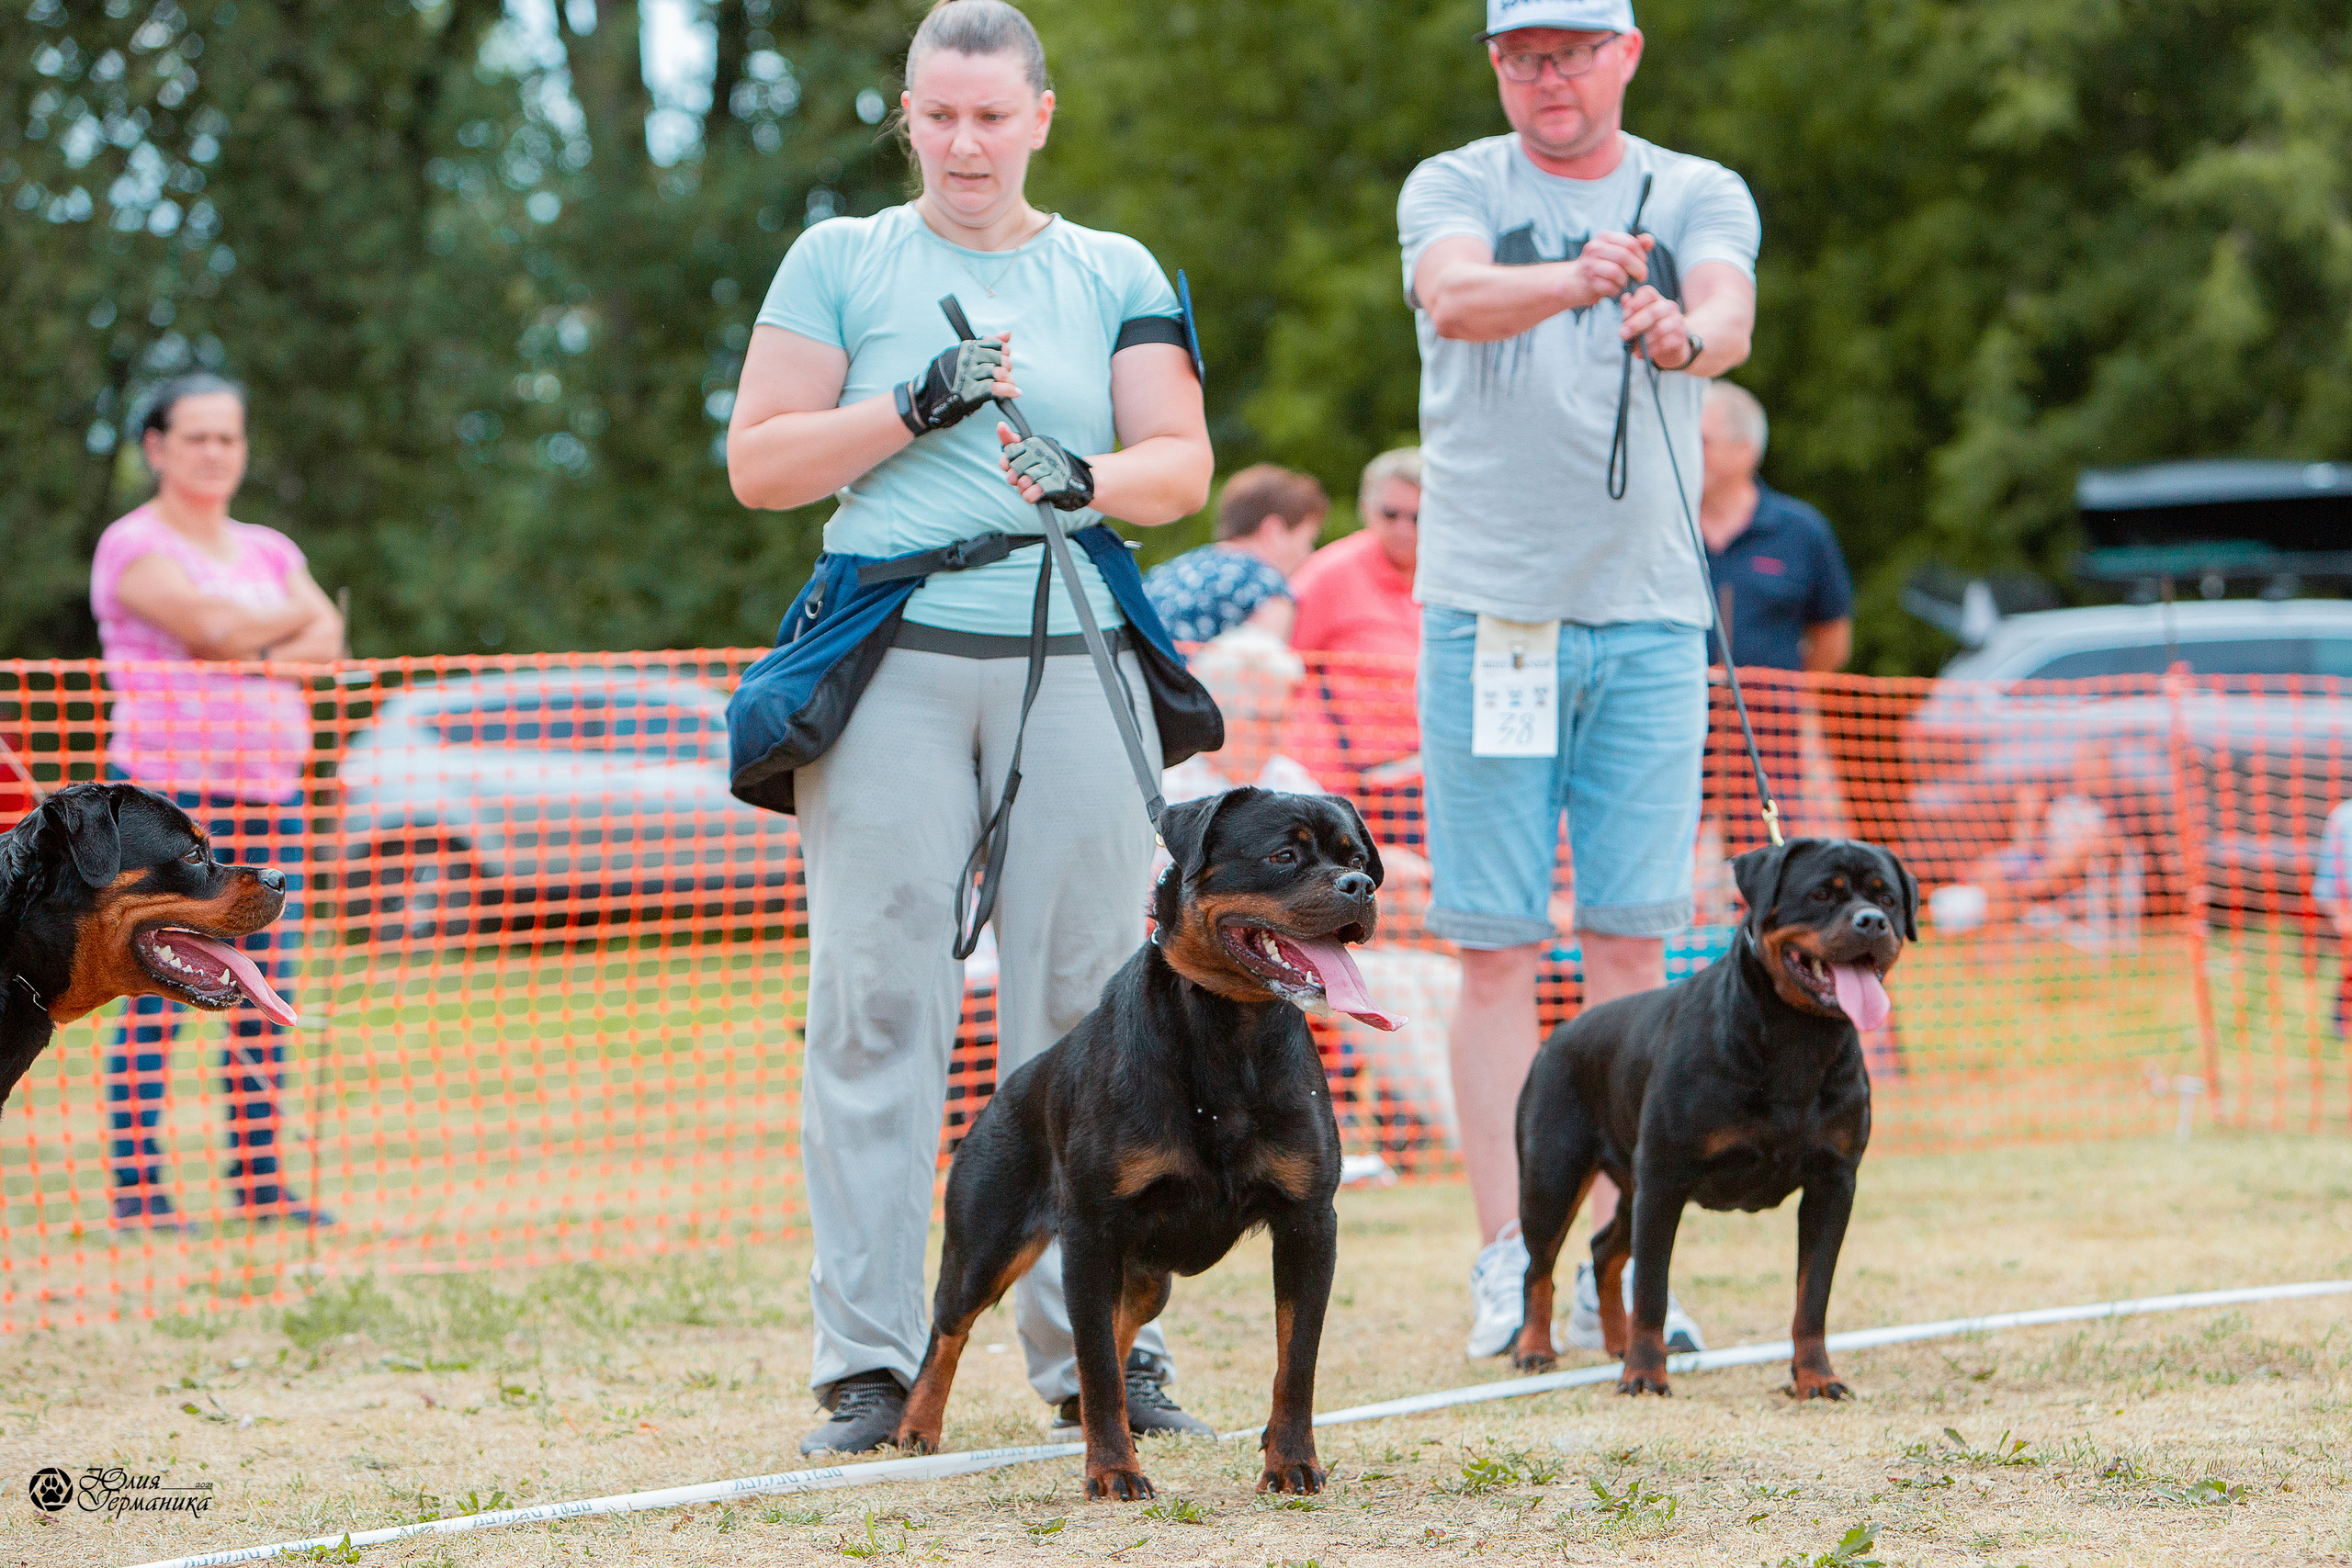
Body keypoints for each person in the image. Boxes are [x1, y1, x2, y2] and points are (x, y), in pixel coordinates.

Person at [724, 0, 1216, 1456]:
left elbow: (1180, 465)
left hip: (1073, 645)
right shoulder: (842, 258)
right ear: (907, 114)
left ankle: (1099, 1357)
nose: (962, 142)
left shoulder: (1110, 268)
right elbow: (760, 462)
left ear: (1040, 118)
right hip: (896, 658)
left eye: (991, 116)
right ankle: (866, 1366)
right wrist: (908, 405)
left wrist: (1088, 473)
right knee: (878, 1005)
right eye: (936, 114)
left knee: (1088, 1013)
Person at [1399, 0, 1758, 1359]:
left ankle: (1630, 1258)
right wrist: (1579, 278)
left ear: (1627, 55)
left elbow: (1727, 309)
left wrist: (1679, 333)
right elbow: (1451, 291)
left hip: (1654, 614)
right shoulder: (1456, 184)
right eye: (1523, 56)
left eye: (1575, 52)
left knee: (1630, 945)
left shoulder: (1696, 186)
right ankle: (1511, 1253)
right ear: (1498, 66)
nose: (1550, 78)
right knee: (1494, 948)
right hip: (1492, 608)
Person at [89, 372, 344, 1228]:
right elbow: (217, 632)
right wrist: (268, 631)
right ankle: (139, 1193)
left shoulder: (267, 544)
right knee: (155, 987)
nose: (213, 452)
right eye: (196, 436)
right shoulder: (131, 541)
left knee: (266, 992)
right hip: (172, 807)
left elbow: (330, 640)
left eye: (228, 437)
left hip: (270, 797)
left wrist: (242, 633)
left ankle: (263, 1185)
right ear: (156, 446)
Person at [1698, 383, 1851, 674]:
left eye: (1703, 442)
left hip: (1769, 719)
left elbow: (1833, 640)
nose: (1689, 452)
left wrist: (1786, 697)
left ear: (1745, 451)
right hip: (1675, 717)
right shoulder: (1664, 528)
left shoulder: (1801, 532)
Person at [1143, 463, 1327, 642]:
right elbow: (1263, 669)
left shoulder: (1173, 571)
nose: (1308, 555)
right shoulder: (1267, 588)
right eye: (1308, 540)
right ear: (1274, 531)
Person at [1290, 447, 1424, 661]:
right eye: (1390, 514)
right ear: (1366, 509)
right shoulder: (1329, 573)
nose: (1403, 529)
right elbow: (1281, 664)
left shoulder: (1452, 578)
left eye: (1417, 518)